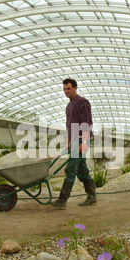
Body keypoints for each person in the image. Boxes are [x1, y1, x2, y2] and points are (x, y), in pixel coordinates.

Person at [51, 78, 96, 209]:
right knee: (82, 170)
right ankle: (92, 197)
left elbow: (86, 123)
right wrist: (68, 143)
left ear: (75, 88)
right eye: (64, 89)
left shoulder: (82, 102)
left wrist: (85, 141)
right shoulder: (69, 106)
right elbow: (69, 127)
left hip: (81, 140)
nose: (66, 91)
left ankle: (62, 200)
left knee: (70, 169)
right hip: (75, 141)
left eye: (68, 88)